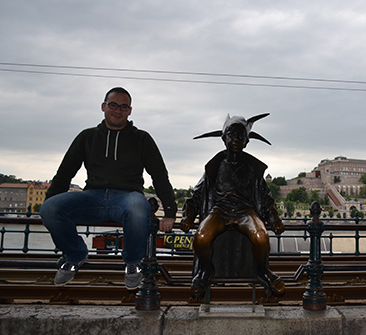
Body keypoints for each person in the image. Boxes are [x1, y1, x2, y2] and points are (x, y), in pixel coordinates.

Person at [40, 87, 177, 290]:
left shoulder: (142, 139)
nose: (117, 110)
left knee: (139, 206)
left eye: (123, 106)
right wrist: (49, 205)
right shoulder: (87, 137)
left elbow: (159, 175)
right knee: (49, 208)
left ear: (130, 111)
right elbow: (64, 174)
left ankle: (133, 263)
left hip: (126, 198)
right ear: (103, 107)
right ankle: (75, 254)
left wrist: (170, 212)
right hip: (92, 198)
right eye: (113, 105)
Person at [180, 113, 285, 297]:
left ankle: (263, 272)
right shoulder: (215, 166)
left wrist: (274, 217)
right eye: (231, 135)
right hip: (220, 210)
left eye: (240, 136)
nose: (236, 139)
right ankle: (205, 271)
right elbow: (196, 194)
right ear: (223, 138)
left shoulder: (252, 168)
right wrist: (188, 215)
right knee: (202, 237)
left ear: (246, 141)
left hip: (245, 211)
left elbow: (265, 196)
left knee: (261, 237)